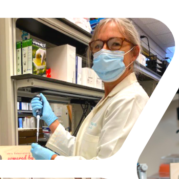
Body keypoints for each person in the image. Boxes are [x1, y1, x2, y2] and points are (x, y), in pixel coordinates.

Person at [29, 18, 150, 160]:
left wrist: (53, 160)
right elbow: (82, 151)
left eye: (115, 44)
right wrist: (51, 120)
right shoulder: (111, 98)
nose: (103, 52)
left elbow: (106, 172)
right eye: (98, 46)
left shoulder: (131, 99)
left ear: (134, 53)